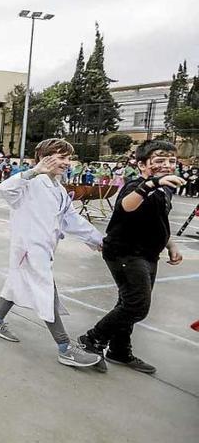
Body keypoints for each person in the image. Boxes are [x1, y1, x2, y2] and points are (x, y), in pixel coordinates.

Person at [0, 138, 103, 368]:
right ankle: (65, 347)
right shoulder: (31, 182)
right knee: (46, 292)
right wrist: (33, 171)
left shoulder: (59, 188)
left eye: (69, 157)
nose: (67, 162)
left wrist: (98, 240)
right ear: (43, 157)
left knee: (15, 285)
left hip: (44, 248)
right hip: (29, 250)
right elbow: (5, 189)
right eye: (61, 157)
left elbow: (72, 220)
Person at [79, 140, 184, 374]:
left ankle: (119, 350)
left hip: (148, 254)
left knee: (127, 303)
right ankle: (92, 339)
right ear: (142, 165)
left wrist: (171, 243)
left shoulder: (166, 188)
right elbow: (127, 206)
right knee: (137, 306)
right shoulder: (135, 186)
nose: (167, 165)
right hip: (124, 253)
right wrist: (150, 184)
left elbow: (159, 220)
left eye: (171, 161)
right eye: (159, 161)